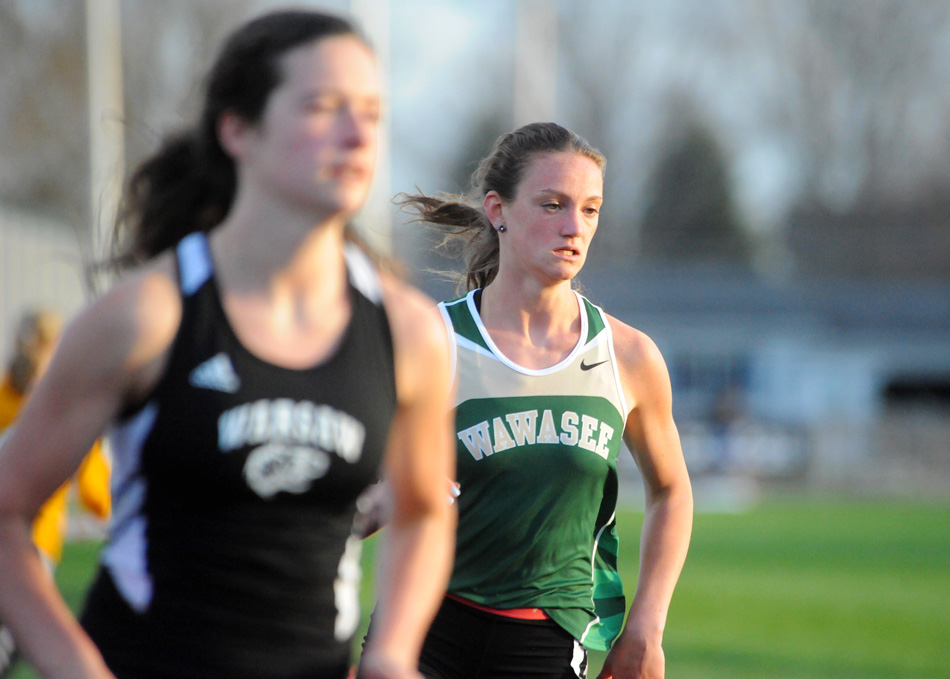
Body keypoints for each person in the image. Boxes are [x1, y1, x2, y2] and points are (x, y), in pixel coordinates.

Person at [0, 9, 455, 679]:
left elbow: (421, 509)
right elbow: (7, 510)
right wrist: (76, 669)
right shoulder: (143, 317)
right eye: (324, 108)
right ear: (237, 129)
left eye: (371, 112)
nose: (357, 135)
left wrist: (393, 650)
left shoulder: (407, 329)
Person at [399, 122, 693, 679]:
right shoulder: (430, 340)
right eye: (553, 205)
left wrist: (646, 629)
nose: (573, 228)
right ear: (498, 209)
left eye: (590, 210)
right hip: (423, 629)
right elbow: (356, 485)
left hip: (550, 641)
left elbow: (672, 490)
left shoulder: (628, 356)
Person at [0, 310, 111, 677]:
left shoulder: (4, 396)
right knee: (20, 641)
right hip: (32, 542)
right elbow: (95, 489)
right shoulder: (63, 405)